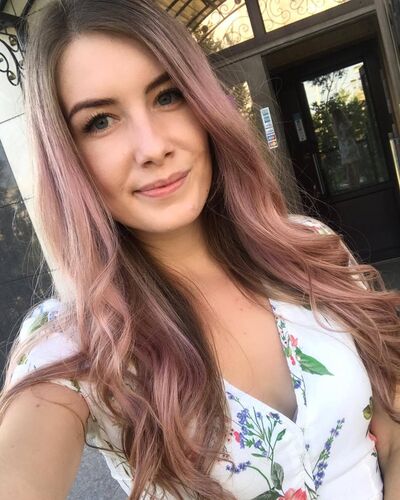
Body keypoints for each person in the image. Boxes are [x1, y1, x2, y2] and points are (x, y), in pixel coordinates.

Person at [0, 1, 399, 499]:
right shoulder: (72, 339)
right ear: (67, 155)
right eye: (100, 121)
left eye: (168, 96)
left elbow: (392, 423)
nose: (153, 147)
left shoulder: (310, 247)